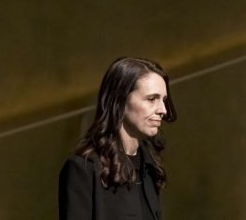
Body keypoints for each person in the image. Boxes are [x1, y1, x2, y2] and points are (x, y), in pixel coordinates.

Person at [59, 57, 177, 220]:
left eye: (163, 100)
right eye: (151, 99)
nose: (163, 110)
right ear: (120, 100)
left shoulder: (149, 166)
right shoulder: (84, 169)